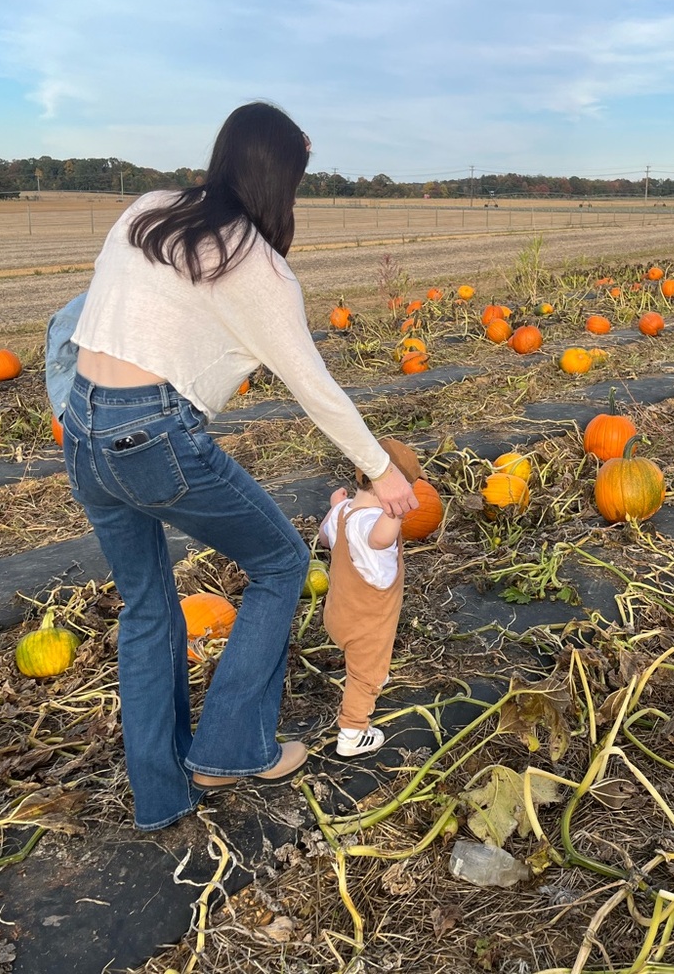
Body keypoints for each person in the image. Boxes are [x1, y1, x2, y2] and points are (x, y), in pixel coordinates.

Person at [49, 101, 418, 831]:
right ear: (283, 181)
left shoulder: (148, 211)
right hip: (153, 432)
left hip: (83, 428)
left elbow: (85, 310)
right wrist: (383, 470)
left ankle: (160, 797)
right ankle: (227, 749)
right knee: (282, 562)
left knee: (149, 611)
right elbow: (314, 385)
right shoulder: (258, 267)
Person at [318, 439, 422, 756]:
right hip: (368, 623)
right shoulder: (376, 524)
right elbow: (379, 538)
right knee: (366, 677)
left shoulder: (343, 512)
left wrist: (335, 503)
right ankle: (352, 733)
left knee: (364, 664)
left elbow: (324, 536)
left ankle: (366, 673)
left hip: (337, 612)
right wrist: (396, 515)